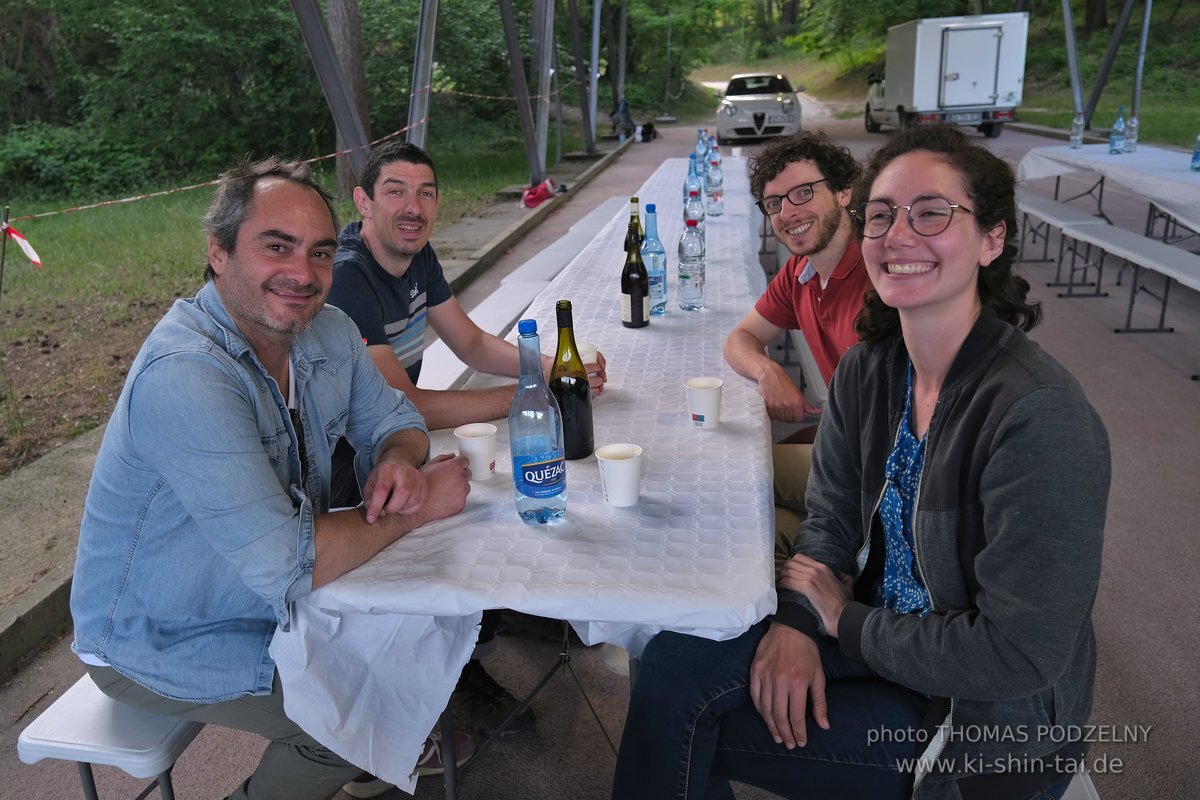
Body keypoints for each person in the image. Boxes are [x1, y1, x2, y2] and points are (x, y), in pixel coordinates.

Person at [611, 125, 1110, 800]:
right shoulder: (872, 368)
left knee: (679, 723)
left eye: (931, 213)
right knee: (669, 659)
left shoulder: (1038, 415)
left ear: (991, 239)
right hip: (868, 632)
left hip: (975, 716)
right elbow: (831, 514)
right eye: (882, 215)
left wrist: (844, 622)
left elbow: (1018, 655)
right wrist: (795, 621)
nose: (897, 235)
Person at [69, 157, 473, 800]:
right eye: (275, 247)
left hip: (256, 595)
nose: (302, 274)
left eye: (319, 253)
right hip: (157, 635)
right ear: (218, 252)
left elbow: (398, 419)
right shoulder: (186, 374)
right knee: (348, 716)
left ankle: (385, 751)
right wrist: (417, 509)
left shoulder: (326, 329)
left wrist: (397, 459)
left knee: (411, 640)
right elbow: (290, 564)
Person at [326, 141, 605, 794]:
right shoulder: (347, 276)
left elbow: (472, 342)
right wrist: (527, 396)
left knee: (494, 480)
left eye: (426, 191)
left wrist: (552, 369)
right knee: (465, 500)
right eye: (395, 190)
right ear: (363, 201)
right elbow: (408, 404)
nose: (413, 206)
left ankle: (495, 616)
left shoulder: (415, 256)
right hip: (348, 469)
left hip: (391, 442)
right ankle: (451, 673)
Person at [722, 130, 873, 572]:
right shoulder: (801, 271)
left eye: (804, 192)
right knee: (755, 514)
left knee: (734, 481)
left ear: (845, 192)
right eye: (775, 203)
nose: (789, 212)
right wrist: (769, 372)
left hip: (877, 472)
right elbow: (740, 339)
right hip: (845, 447)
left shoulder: (879, 278)